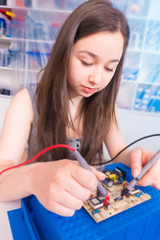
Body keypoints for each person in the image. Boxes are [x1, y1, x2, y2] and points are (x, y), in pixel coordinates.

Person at [0, 0, 159, 217]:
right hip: (45, 214)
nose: (97, 78)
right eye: (86, 62)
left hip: (91, 213)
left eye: (109, 67)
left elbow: (119, 155)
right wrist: (34, 176)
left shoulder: (104, 106)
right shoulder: (26, 102)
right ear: (64, 52)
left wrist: (136, 159)